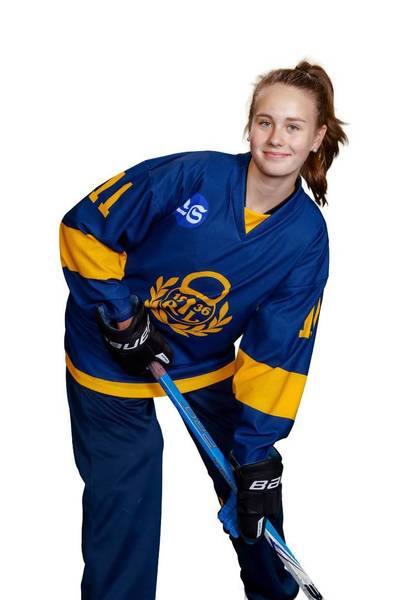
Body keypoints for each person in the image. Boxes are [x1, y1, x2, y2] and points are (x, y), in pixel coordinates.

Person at [59, 60, 348, 600]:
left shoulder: (306, 238)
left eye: (293, 126)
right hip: (107, 350)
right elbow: (85, 227)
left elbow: (278, 351)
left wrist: (257, 450)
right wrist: (121, 316)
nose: (276, 138)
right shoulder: (193, 176)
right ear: (249, 126)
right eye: (265, 122)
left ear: (317, 137)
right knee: (127, 498)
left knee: (256, 491)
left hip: (202, 357)